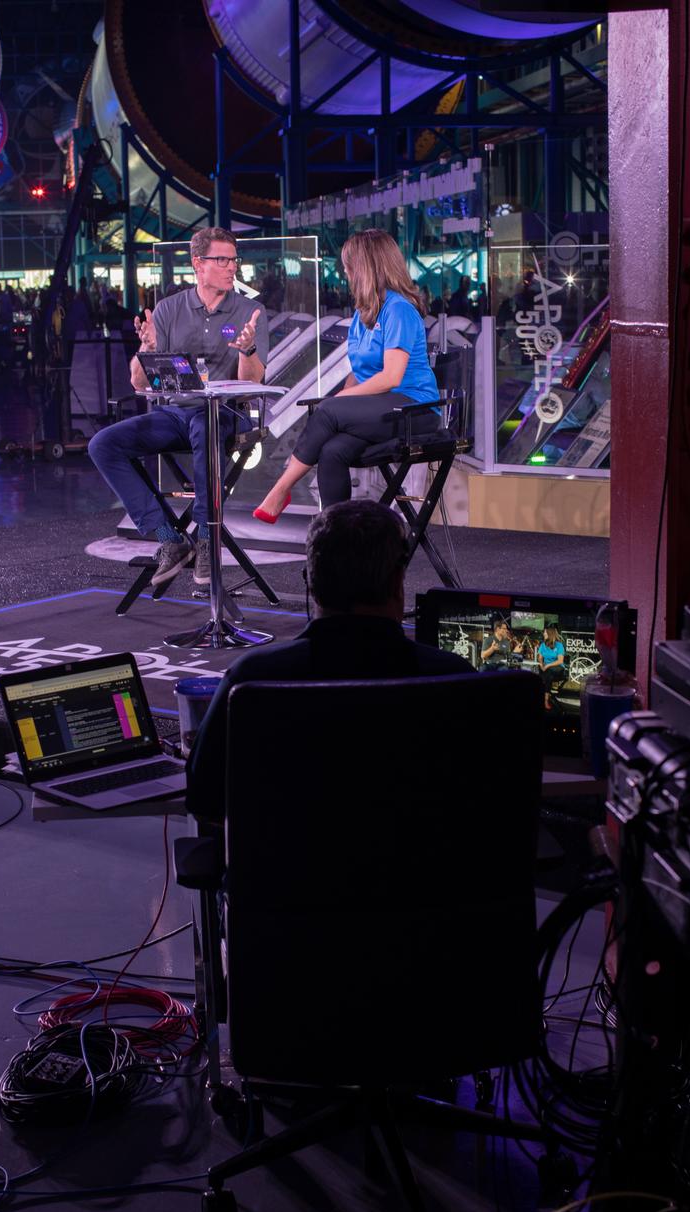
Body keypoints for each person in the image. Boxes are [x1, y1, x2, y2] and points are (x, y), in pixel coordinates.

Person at [186, 501, 473, 822]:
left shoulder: (253, 678)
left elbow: (203, 797)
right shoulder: (454, 679)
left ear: (310, 582)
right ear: (397, 582)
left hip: (287, 871)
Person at [88, 226, 269, 588]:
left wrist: (247, 350)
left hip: (225, 414)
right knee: (103, 444)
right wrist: (149, 349)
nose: (232, 267)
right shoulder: (169, 309)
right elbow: (139, 384)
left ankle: (205, 535)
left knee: (205, 423)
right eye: (222, 260)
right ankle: (169, 538)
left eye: (234, 260)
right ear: (198, 264)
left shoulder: (250, 311)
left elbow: (254, 384)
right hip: (173, 414)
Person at [252, 229, 438, 522]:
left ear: (365, 268)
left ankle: (281, 488)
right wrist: (343, 402)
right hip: (380, 408)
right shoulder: (363, 314)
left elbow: (391, 377)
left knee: (328, 409)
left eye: (349, 266)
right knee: (332, 451)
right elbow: (359, 373)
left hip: (414, 408)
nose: (345, 273)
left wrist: (339, 402)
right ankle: (335, 535)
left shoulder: (398, 309)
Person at [537, 624, 566, 710]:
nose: (543, 634)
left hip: (558, 668)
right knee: (544, 673)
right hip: (547, 670)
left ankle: (545, 700)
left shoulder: (559, 645)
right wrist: (542, 665)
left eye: (545, 633)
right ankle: (545, 697)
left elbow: (560, 661)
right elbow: (540, 658)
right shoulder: (542, 645)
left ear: (550, 634)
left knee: (548, 672)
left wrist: (548, 665)